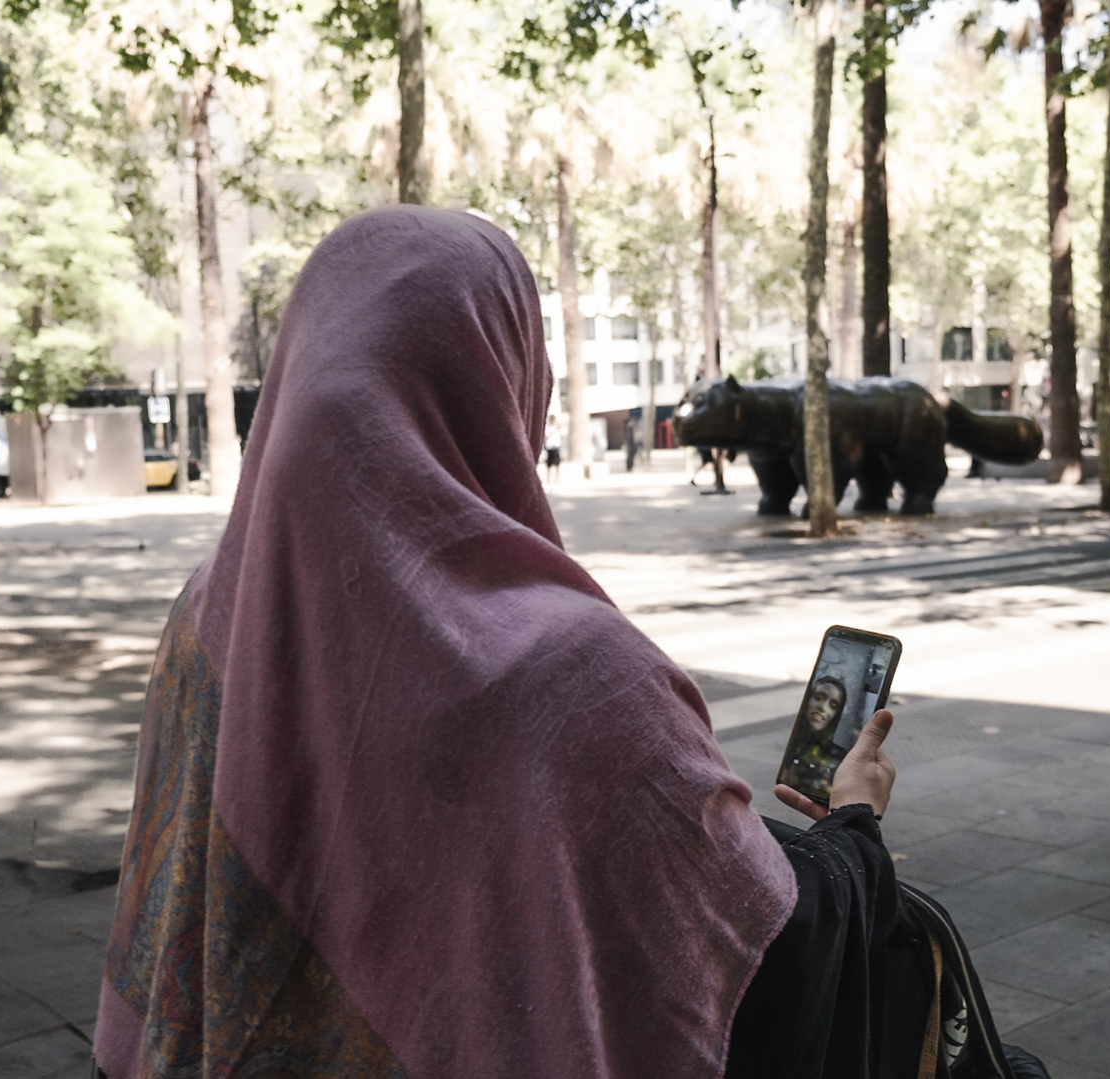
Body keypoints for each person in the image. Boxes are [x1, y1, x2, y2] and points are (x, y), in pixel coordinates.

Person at [95, 207, 1033, 1079]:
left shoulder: (201, 617)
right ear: (502, 380)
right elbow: (758, 952)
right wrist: (852, 829)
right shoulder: (577, 681)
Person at [543, 414, 563, 481]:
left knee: (557, 463)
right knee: (549, 463)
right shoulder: (548, 427)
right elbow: (546, 436)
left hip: (556, 445)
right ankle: (548, 479)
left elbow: (561, 434)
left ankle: (557, 479)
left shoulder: (557, 427)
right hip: (550, 446)